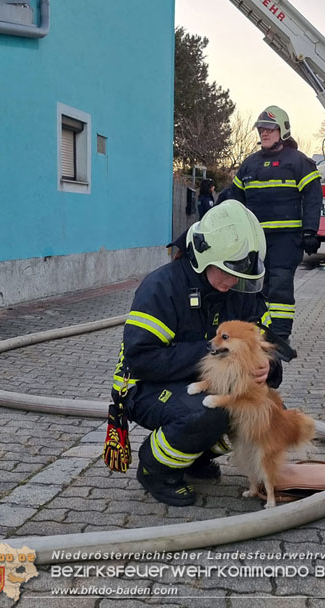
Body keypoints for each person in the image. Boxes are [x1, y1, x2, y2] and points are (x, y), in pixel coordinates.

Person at [111, 201, 285, 507]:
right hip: (146, 387)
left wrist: (269, 367)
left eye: (239, 275)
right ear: (205, 256)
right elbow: (142, 360)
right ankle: (155, 468)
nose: (232, 282)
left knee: (258, 409)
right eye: (227, 272)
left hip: (199, 385)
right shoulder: (163, 288)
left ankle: (192, 455)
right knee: (209, 410)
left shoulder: (238, 291)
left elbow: (269, 346)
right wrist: (212, 353)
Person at [229, 105, 322, 339]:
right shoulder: (250, 164)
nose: (264, 134)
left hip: (286, 240)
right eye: (261, 130)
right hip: (254, 241)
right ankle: (257, 333)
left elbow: (313, 197)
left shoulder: (299, 162)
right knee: (252, 287)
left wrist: (310, 230)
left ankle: (279, 337)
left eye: (270, 129)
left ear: (283, 130)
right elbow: (232, 199)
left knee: (279, 287)